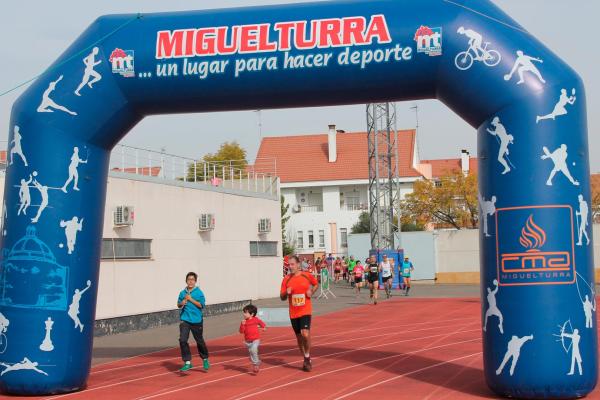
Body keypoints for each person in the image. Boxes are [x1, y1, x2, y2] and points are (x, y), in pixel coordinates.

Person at [280, 255, 318, 372]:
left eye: (292, 264)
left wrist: (311, 291)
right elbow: (282, 297)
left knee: (305, 334)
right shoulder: (286, 279)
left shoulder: (306, 275)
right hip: (293, 312)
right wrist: (286, 292)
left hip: (305, 310)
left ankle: (307, 358)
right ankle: (306, 357)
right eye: (289, 265)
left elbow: (315, 284)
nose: (290, 267)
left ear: (298, 265)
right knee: (299, 337)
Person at [177, 272, 210, 372]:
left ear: (195, 281)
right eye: (188, 279)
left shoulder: (199, 292)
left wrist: (190, 299)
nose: (190, 281)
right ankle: (187, 362)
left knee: (199, 340)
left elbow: (201, 305)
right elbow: (178, 304)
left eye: (192, 279)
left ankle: (205, 359)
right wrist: (182, 302)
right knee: (182, 340)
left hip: (196, 320)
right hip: (185, 320)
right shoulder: (182, 293)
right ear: (186, 281)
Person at [239, 304, 266, 374]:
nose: (244, 314)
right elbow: (241, 331)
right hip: (248, 341)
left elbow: (261, 322)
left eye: (246, 312)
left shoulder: (255, 319)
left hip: (255, 339)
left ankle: (256, 365)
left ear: (252, 314)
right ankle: (256, 362)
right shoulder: (244, 322)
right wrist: (242, 324)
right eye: (244, 312)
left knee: (254, 349)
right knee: (252, 353)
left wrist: (263, 327)